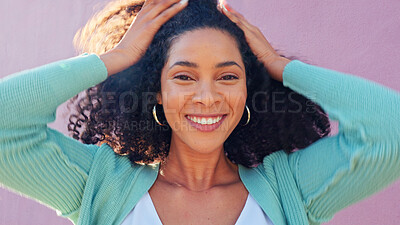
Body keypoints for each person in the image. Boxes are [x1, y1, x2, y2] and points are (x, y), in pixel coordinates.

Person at [0, 0, 399, 224]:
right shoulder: (101, 185)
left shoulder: (288, 189)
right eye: (185, 77)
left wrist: (278, 66)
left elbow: (390, 132)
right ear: (157, 91)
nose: (207, 97)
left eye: (228, 76)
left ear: (247, 89)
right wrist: (116, 58)